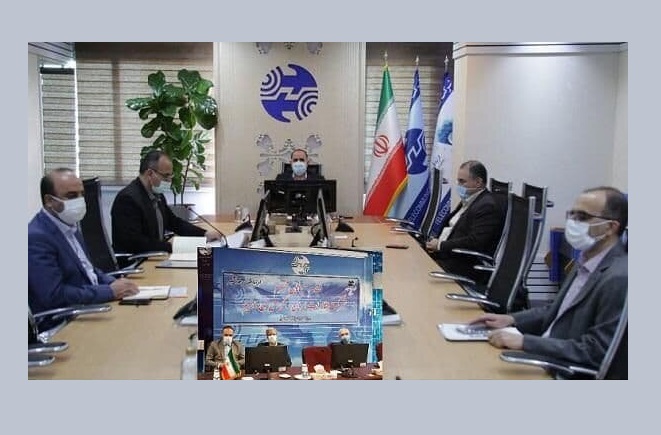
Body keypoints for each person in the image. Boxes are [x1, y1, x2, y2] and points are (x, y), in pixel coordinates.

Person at [468, 186, 628, 377]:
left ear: (611, 227)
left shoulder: (619, 277)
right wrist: (511, 319)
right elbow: (556, 311)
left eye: (582, 217)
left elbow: (597, 352)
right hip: (544, 356)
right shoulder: (586, 259)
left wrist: (525, 342)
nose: (573, 222)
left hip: (560, 370)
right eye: (571, 215)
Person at [28, 168, 139, 313]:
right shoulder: (36, 237)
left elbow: (89, 271)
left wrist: (115, 283)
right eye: (71, 196)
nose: (80, 200)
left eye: (82, 194)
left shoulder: (69, 225)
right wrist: (109, 291)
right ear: (49, 200)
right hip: (66, 318)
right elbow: (54, 295)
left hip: (90, 306)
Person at [111, 150, 222, 254]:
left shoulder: (156, 195)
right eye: (166, 176)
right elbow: (135, 243)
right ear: (150, 173)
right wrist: (170, 246)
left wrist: (204, 234)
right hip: (136, 261)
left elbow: (174, 222)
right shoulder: (127, 199)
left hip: (154, 255)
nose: (169, 181)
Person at [425, 160, 506, 285]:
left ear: (478, 182)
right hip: (445, 255)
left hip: (463, 265)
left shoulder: (487, 206)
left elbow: (475, 242)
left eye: (462, 181)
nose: (459, 185)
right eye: (458, 181)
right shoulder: (471, 199)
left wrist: (441, 245)